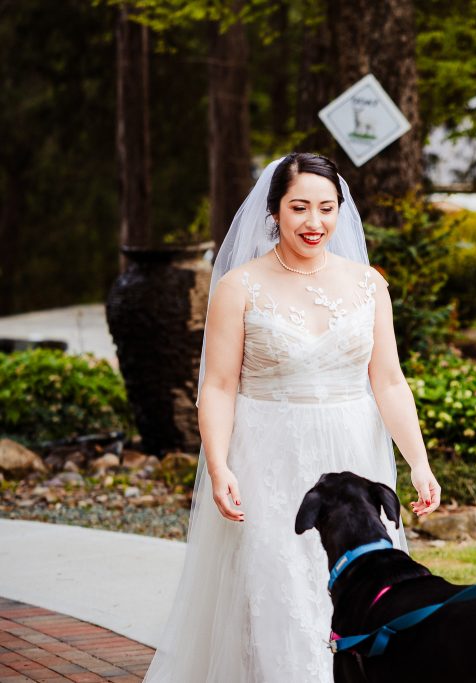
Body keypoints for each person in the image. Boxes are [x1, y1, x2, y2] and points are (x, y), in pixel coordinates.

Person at [143, 153, 441, 682]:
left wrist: (418, 462)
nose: (314, 222)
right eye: (299, 207)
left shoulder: (369, 284)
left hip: (353, 447)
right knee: (277, 583)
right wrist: (218, 465)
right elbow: (217, 385)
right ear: (275, 211)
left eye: (326, 208)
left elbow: (389, 381)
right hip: (269, 450)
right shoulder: (239, 286)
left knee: (361, 584)